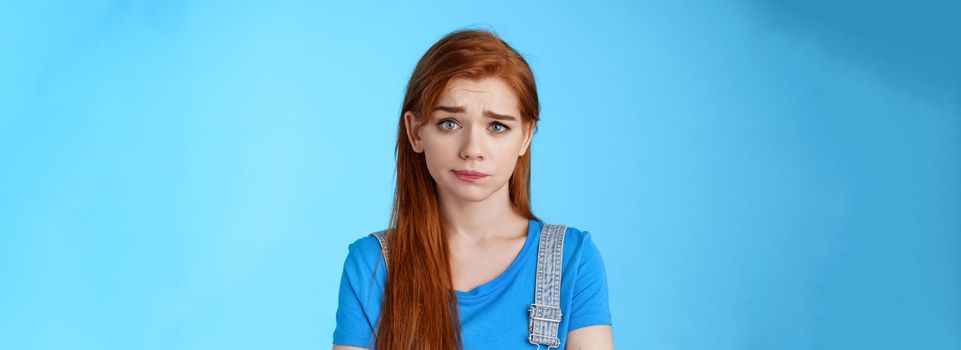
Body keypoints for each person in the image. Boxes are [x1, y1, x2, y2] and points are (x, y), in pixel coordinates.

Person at [332, 28, 613, 350]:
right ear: (415, 132)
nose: (472, 149)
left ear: (525, 136)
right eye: (449, 124)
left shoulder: (572, 259)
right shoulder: (372, 264)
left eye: (497, 126)